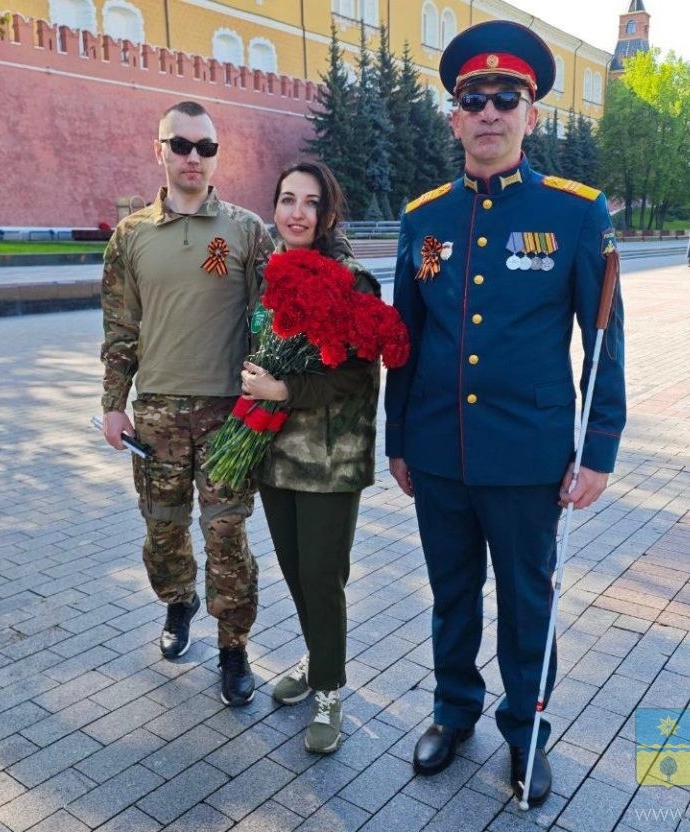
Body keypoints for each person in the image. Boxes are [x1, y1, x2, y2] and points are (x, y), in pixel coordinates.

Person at [384, 20, 626, 808]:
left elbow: (603, 344)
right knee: (452, 594)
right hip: (439, 454)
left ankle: (526, 733)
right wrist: (397, 439)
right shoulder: (424, 220)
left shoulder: (577, 214)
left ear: (530, 114)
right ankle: (454, 714)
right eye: (473, 99)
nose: (489, 111)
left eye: (505, 98)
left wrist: (599, 450)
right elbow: (404, 342)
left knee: (528, 604)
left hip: (529, 458)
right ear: (454, 117)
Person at [99, 100, 273, 706]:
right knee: (163, 530)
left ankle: (233, 648)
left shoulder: (246, 230)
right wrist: (113, 405)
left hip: (229, 415)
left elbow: (270, 318)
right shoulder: (131, 236)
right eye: (182, 145)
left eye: (206, 147)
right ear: (160, 151)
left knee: (227, 535)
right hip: (157, 415)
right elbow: (120, 329)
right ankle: (179, 602)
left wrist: (270, 394)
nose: (193, 157)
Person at [239, 161, 381, 754]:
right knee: (297, 572)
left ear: (327, 212)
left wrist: (284, 391)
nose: (296, 211)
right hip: (275, 453)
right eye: (287, 198)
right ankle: (317, 654)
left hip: (329, 458)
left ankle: (329, 688)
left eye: (310, 201)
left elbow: (357, 381)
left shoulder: (353, 282)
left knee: (323, 577)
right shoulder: (264, 275)